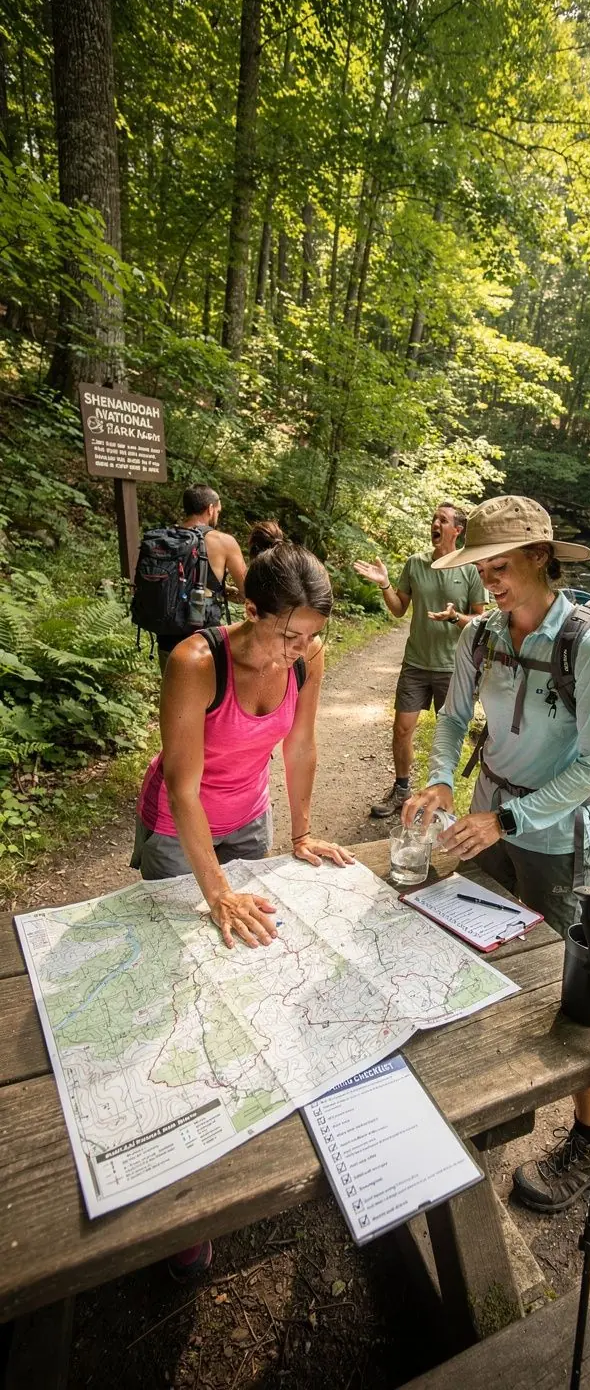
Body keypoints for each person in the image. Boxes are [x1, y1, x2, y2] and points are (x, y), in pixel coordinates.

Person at [132, 520, 353, 1279]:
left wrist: (302, 833)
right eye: (291, 635)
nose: (302, 651)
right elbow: (185, 788)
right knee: (181, 977)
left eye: (311, 637)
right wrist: (216, 889)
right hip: (177, 832)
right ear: (251, 608)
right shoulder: (196, 661)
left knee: (256, 966)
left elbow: (298, 747)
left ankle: (251, 1114)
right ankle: (177, 1159)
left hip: (250, 822)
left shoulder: (309, 658)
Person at [403, 495, 590, 1215]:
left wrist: (510, 819)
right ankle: (496, 1093)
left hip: (555, 840)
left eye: (498, 567)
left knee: (576, 999)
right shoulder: (481, 636)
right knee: (475, 950)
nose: (488, 582)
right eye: (480, 569)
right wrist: (439, 780)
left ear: (540, 557)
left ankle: (589, 1144)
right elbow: (452, 718)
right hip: (486, 819)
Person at [353, 503, 485, 817]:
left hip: (453, 667)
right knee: (402, 728)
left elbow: (481, 622)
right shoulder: (416, 563)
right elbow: (399, 608)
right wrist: (385, 584)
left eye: (443, 520)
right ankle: (401, 789)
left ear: (458, 530)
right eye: (434, 519)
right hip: (415, 663)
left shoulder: (470, 568)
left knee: (449, 733)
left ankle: (442, 796)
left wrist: (454, 618)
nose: (435, 524)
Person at [155, 485, 248, 671]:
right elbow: (249, 591)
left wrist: (220, 589)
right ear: (210, 509)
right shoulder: (224, 542)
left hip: (167, 636)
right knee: (209, 696)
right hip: (204, 639)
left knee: (173, 695)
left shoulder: (163, 539)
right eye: (218, 511)